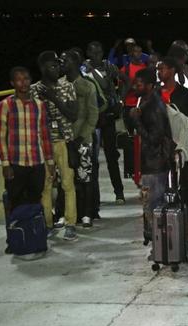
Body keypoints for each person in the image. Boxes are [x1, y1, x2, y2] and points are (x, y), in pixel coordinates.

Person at [0, 67, 55, 252]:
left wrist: (50, 162)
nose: (23, 83)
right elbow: (0, 136)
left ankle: (33, 238)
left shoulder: (39, 105)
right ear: (12, 83)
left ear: (30, 80)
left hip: (36, 162)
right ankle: (13, 240)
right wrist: (5, 163)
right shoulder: (5, 105)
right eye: (19, 80)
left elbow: (45, 135)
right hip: (16, 163)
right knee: (14, 203)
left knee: (35, 202)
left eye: (26, 78)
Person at [31, 51, 78, 241]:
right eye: (52, 66)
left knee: (68, 183)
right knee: (46, 186)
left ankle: (71, 223)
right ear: (42, 68)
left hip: (64, 141)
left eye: (58, 65)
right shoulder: (33, 90)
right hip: (43, 143)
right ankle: (48, 224)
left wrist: (53, 97)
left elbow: (73, 115)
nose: (57, 69)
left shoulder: (67, 87)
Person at [157, 56, 188, 224]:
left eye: (162, 68)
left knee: (186, 183)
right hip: (161, 149)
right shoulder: (155, 94)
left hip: (183, 149)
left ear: (172, 71)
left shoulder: (186, 95)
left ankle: (187, 216)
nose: (159, 72)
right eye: (158, 69)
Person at [83, 41, 126, 207]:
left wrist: (121, 101)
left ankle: (119, 192)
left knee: (111, 156)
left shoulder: (109, 67)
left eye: (99, 52)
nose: (96, 55)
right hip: (91, 119)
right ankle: (93, 198)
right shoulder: (83, 70)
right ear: (88, 52)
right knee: (91, 159)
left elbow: (126, 80)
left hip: (107, 117)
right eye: (93, 52)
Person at [129, 70, 174, 224]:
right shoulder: (145, 102)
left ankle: (157, 239)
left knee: (153, 206)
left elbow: (154, 139)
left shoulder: (154, 107)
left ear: (149, 86)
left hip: (155, 164)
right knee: (151, 205)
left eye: (139, 84)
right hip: (152, 163)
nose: (135, 86)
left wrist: (137, 121)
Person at [62, 50, 99, 228]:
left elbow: (93, 114)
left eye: (65, 60)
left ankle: (87, 213)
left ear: (76, 63)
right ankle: (67, 213)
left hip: (83, 139)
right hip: (64, 139)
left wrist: (83, 136)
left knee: (85, 178)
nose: (62, 62)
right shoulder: (59, 85)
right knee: (65, 179)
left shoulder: (87, 85)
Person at [119, 45, 148, 179]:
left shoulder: (145, 68)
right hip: (128, 106)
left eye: (140, 51)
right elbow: (121, 88)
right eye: (135, 52)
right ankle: (130, 169)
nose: (138, 54)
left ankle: (142, 167)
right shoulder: (125, 69)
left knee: (143, 137)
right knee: (129, 139)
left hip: (141, 107)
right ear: (131, 54)